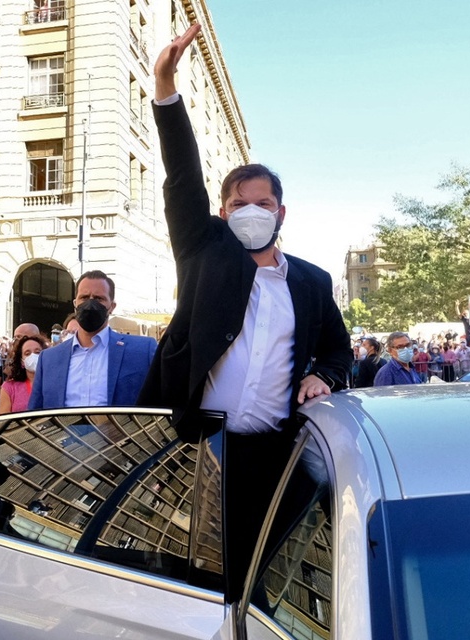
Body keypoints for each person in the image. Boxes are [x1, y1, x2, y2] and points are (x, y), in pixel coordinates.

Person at [136, 26, 352, 603]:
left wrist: (322, 375)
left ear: (283, 211)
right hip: (198, 449)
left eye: (262, 204)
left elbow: (338, 348)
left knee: (264, 576)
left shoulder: (311, 281)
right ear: (222, 210)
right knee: (196, 576)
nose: (251, 212)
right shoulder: (205, 249)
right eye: (238, 204)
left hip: (274, 454)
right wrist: (165, 86)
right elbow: (182, 175)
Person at [28, 270, 157, 409]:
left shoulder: (142, 351)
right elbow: (35, 413)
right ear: (75, 303)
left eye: (98, 298)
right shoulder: (49, 359)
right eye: (84, 297)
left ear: (112, 307)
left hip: (119, 431)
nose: (90, 304)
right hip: (65, 431)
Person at [0, 335, 48, 414]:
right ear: (22, 361)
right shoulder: (9, 387)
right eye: (27, 353)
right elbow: (4, 420)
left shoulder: (54, 384)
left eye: (37, 352)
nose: (33, 356)